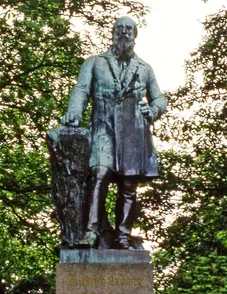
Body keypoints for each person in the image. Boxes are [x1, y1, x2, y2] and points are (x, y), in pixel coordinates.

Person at [60, 16, 167, 249]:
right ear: (113, 33)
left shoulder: (145, 69)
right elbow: (81, 90)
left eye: (129, 30)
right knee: (99, 173)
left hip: (133, 132)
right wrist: (74, 113)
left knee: (128, 185)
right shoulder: (95, 62)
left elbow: (159, 98)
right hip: (103, 126)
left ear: (135, 35)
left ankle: (123, 236)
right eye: (120, 29)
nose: (124, 33)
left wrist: (154, 109)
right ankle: (91, 231)